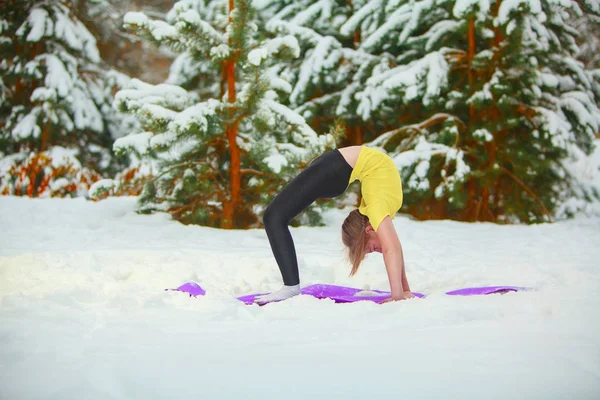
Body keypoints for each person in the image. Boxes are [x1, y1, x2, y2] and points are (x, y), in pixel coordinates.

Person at [254, 145, 414, 304]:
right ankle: (291, 288)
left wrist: (403, 291)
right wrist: (399, 295)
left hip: (335, 169)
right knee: (273, 217)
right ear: (369, 229)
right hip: (333, 168)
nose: (378, 250)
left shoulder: (379, 211)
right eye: (371, 248)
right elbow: (392, 249)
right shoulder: (377, 209)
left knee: (275, 216)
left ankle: (291, 287)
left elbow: (394, 248)